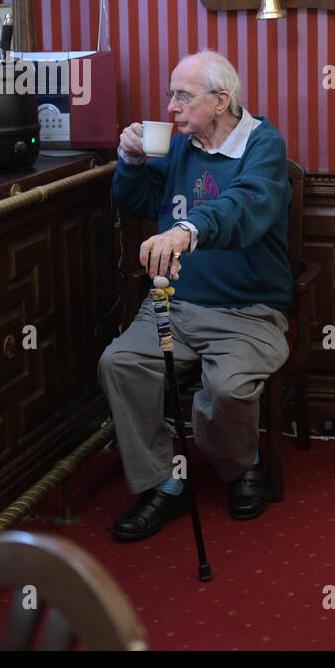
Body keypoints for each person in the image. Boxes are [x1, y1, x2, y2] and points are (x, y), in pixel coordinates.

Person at [98, 50, 292, 541]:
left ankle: (240, 463)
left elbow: (245, 205)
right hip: (175, 304)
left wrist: (187, 231)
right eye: (170, 94)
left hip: (247, 309)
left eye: (183, 96)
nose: (171, 107)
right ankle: (165, 482)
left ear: (222, 101)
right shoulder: (180, 144)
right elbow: (139, 201)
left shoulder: (262, 145)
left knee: (226, 388)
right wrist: (131, 160)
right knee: (119, 363)